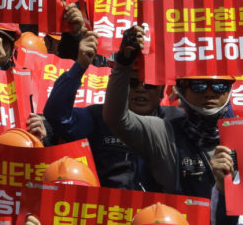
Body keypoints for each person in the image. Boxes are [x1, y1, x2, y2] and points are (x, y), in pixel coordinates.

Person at [103, 25, 234, 198]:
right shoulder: (163, 132)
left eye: (219, 86)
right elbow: (116, 118)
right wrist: (123, 64)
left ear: (230, 89)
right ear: (181, 89)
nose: (209, 92)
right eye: (199, 85)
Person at [43, 30, 182, 189]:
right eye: (133, 83)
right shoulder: (98, 117)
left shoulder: (175, 123)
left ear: (162, 91)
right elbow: (56, 115)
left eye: (149, 84)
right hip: (110, 210)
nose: (141, 89)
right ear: (118, 86)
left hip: (160, 211)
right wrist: (80, 66)